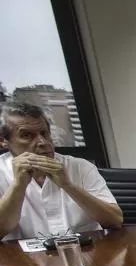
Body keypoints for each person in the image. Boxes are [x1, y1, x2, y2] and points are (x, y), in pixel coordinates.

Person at [0, 101, 122, 240]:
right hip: (22, 259)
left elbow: (115, 221)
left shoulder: (81, 167)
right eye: (27, 135)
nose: (42, 142)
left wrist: (68, 185)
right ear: (3, 141)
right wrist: (18, 186)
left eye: (44, 133)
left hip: (88, 253)